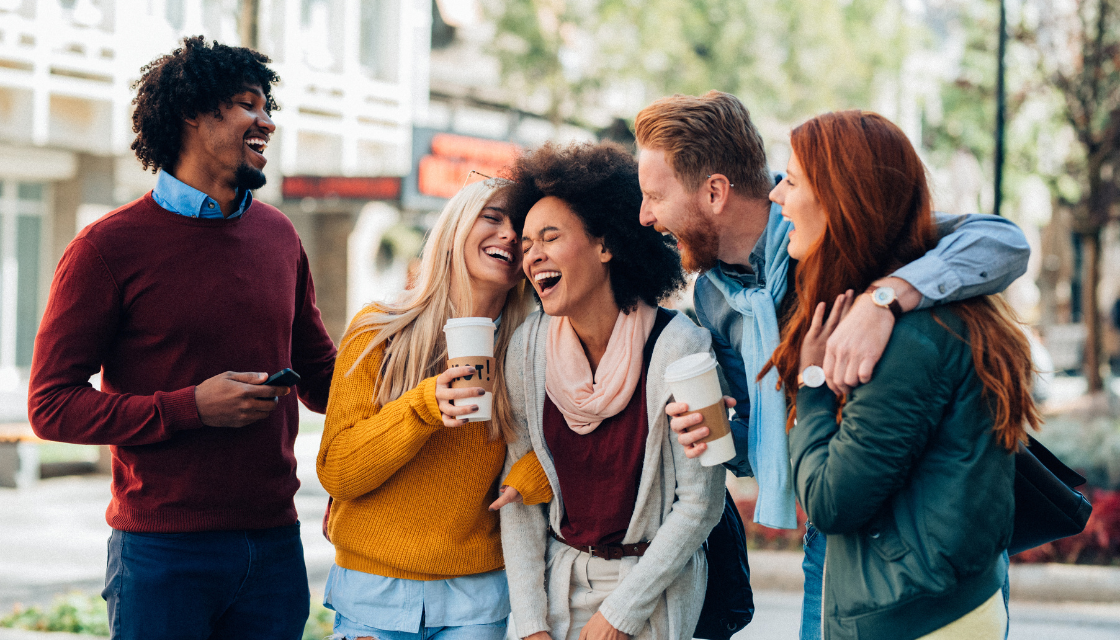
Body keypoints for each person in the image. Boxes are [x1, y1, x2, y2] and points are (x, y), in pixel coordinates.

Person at [634, 91, 1030, 639]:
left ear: (715, 192)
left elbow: (1001, 241)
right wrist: (722, 433)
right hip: (835, 535)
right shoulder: (714, 301)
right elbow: (775, 444)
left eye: (655, 195)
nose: (644, 215)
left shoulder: (834, 234)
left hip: (920, 548)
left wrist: (886, 297)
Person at [27, 37, 337, 639]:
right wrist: (190, 408)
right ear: (193, 111)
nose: (267, 122)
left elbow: (322, 374)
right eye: (249, 104)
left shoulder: (279, 236)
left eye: (267, 107)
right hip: (163, 555)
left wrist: (418, 376)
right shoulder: (107, 249)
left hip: (275, 549)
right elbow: (50, 406)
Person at [768, 110, 1037, 639]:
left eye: (792, 182)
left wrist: (813, 384)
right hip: (933, 604)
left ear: (842, 202)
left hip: (914, 616)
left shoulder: (905, 339)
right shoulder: (897, 312)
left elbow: (830, 501)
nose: (777, 196)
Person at [498, 142, 725, 640]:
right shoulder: (526, 349)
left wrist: (619, 617)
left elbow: (700, 505)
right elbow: (520, 494)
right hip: (559, 588)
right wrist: (532, 622)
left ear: (606, 244)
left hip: (651, 595)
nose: (533, 255)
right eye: (528, 242)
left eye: (550, 237)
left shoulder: (681, 347)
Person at [316, 178, 554, 640]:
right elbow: (338, 471)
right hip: (372, 594)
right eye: (493, 217)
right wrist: (422, 407)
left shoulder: (534, 346)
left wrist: (537, 474)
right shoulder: (379, 331)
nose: (509, 234)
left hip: (476, 598)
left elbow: (568, 445)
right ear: (457, 227)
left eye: (520, 227)